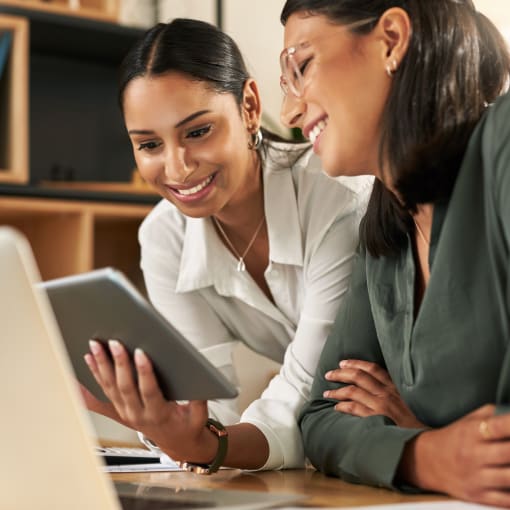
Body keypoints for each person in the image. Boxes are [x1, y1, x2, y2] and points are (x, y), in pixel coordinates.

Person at [81, 18, 374, 472]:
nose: (177, 169)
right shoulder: (165, 238)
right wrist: (161, 422)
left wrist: (204, 445)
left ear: (250, 107)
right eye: (149, 144)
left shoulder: (337, 200)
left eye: (198, 132)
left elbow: (305, 398)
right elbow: (206, 408)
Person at [279, 0, 510, 506]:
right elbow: (320, 419)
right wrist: (426, 452)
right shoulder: (385, 227)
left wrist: (419, 432)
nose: (290, 112)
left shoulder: (504, 144)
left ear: (391, 39)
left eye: (302, 65)